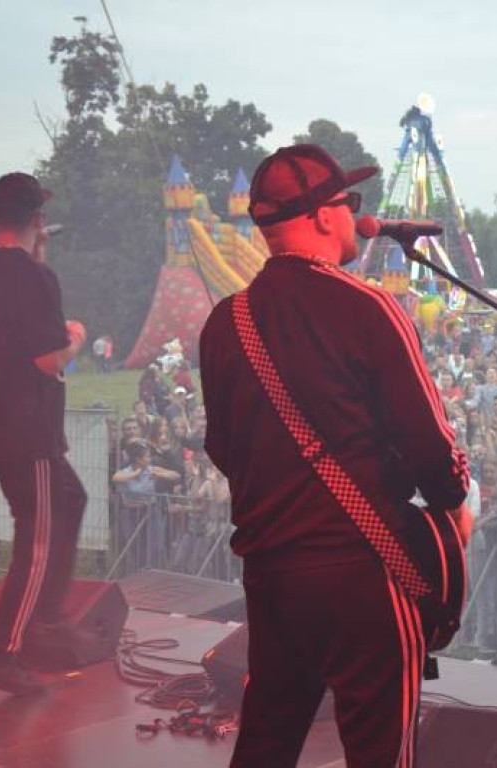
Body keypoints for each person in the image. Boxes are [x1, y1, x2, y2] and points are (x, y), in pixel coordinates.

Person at [199, 144, 471, 768]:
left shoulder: (225, 321)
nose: (356, 215)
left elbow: (222, 448)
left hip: (270, 568)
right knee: (380, 752)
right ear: (323, 215)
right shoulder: (368, 307)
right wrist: (455, 509)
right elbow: (431, 446)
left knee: (267, 736)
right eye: (349, 202)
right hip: (364, 570)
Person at [0, 172, 88, 694]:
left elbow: (9, 322)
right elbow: (46, 358)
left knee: (70, 498)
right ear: (37, 219)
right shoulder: (34, 278)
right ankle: (4, 650)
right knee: (40, 536)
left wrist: (36, 258)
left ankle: (45, 622)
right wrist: (75, 338)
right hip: (27, 429)